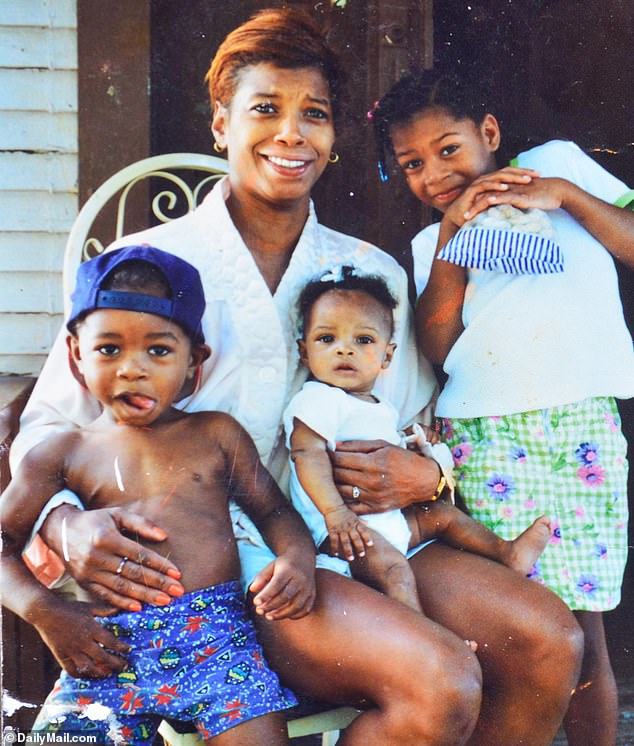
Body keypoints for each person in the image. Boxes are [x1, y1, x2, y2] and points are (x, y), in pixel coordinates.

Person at [10, 10, 584, 746]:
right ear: (220, 125)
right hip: (221, 569)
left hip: (354, 534)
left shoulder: (368, 271)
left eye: (313, 114)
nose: (291, 133)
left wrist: (426, 474)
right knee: (440, 681)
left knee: (547, 643)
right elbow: (48, 432)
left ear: (334, 136)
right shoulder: (146, 264)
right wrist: (67, 523)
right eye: (265, 109)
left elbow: (421, 414)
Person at [371, 67, 634, 746]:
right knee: (519, 629)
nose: (435, 174)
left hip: (577, 431)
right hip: (483, 440)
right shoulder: (432, 244)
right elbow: (434, 344)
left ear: (488, 133)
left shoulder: (555, 166)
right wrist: (455, 247)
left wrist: (568, 197)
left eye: (448, 149)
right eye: (412, 165)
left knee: (586, 635)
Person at [1, 246, 317, 745]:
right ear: (75, 355)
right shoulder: (63, 453)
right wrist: (46, 612)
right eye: (109, 349)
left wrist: (298, 557)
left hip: (217, 646)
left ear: (195, 361)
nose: (133, 369)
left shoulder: (215, 435)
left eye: (159, 350)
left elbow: (274, 509)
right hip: (106, 651)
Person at [285, 266, 551, 612]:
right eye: (326, 339)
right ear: (304, 352)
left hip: (391, 524)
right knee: (396, 572)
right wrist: (335, 514)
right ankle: (423, 635)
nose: (344, 350)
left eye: (363, 340)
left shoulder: (381, 406)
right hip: (344, 531)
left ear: (388, 355)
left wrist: (412, 441)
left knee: (444, 516)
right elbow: (306, 453)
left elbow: (382, 446)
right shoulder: (319, 398)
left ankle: (507, 552)